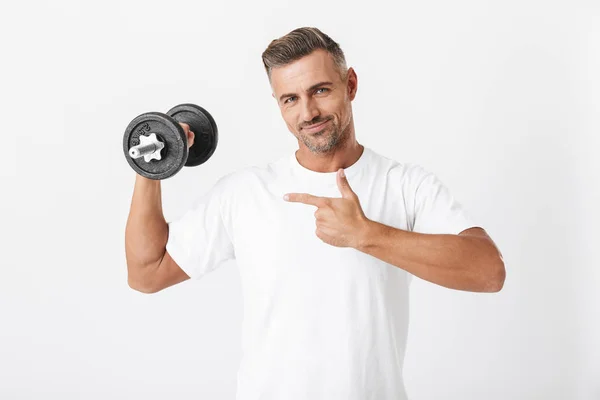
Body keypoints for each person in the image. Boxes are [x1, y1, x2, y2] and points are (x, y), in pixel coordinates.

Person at [125, 27, 505, 400]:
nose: (308, 112)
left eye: (320, 90)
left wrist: (365, 234)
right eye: (289, 99)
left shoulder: (405, 185)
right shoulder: (245, 192)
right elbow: (147, 272)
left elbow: (488, 271)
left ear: (351, 85)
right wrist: (153, 165)